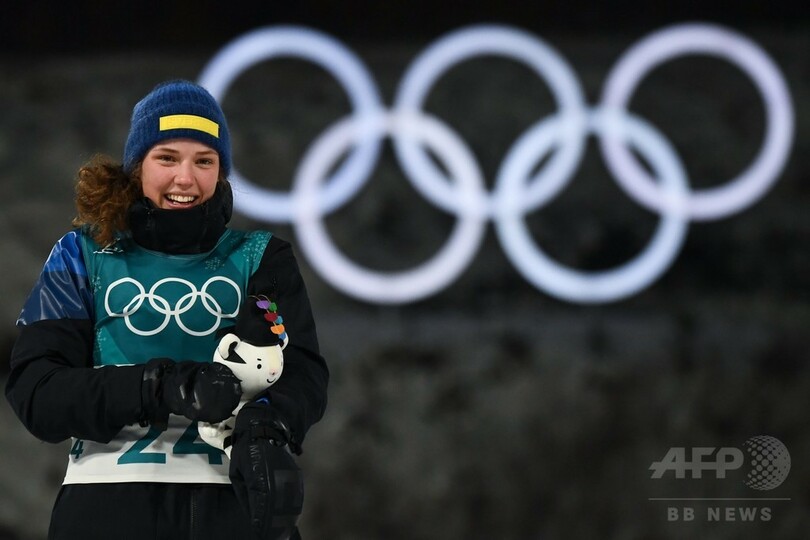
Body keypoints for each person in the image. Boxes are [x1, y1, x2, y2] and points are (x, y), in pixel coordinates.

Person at [5, 79, 328, 540]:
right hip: (108, 509)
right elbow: (36, 391)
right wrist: (157, 386)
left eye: (204, 161)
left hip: (233, 506)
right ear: (137, 167)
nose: (185, 179)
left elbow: (303, 373)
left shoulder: (262, 257)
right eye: (167, 158)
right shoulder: (81, 254)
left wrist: (268, 422)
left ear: (221, 172)